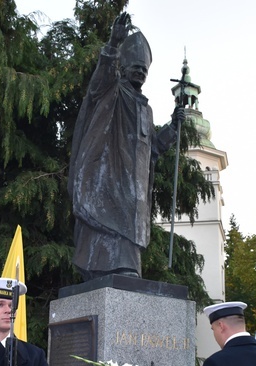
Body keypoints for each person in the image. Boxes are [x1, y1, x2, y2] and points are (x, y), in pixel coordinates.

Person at [68, 12, 184, 280]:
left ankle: (126, 268)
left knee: (129, 224)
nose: (141, 72)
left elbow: (151, 149)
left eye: (145, 69)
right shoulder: (112, 90)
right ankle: (113, 268)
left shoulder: (146, 109)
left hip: (135, 185)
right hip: (107, 174)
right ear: (123, 66)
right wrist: (112, 45)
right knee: (106, 218)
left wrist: (172, 129)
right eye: (137, 67)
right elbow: (98, 84)